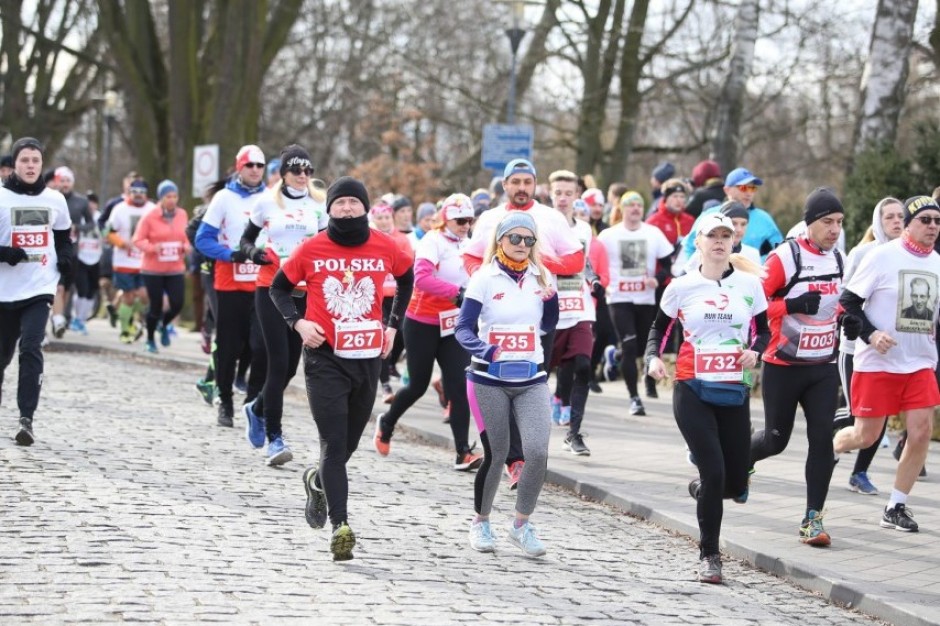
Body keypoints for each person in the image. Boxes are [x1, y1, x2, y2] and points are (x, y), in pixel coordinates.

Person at [270, 176, 414, 561]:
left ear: (365, 207)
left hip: (366, 359)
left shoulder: (386, 246)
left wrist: (392, 326)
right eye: (340, 202)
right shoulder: (311, 247)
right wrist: (298, 324)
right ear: (329, 208)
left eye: (354, 202)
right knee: (334, 444)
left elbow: (406, 279)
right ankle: (341, 527)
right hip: (324, 358)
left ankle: (317, 481)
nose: (347, 208)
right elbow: (278, 289)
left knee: (348, 444)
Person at [645, 212, 769, 584]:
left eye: (725, 235)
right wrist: (653, 358)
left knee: (735, 483)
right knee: (713, 470)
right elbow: (658, 328)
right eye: (711, 235)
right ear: (698, 243)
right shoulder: (681, 286)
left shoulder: (750, 284)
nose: (718, 241)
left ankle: (705, 490)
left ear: (734, 243)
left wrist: (756, 351)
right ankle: (710, 556)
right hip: (692, 386)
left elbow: (763, 331)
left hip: (733, 389)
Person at [463, 158, 584, 488]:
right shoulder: (490, 218)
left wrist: (544, 263)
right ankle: (516, 460)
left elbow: (577, 258)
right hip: (497, 316)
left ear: (535, 185)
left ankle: (526, 452)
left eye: (526, 182)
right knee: (502, 384)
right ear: (505, 185)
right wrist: (486, 280)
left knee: (530, 383)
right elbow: (471, 255)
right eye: (514, 182)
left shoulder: (551, 218)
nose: (520, 188)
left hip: (537, 312)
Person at [456, 211, 559, 556]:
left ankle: (521, 525)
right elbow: (463, 329)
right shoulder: (484, 278)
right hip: (488, 379)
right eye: (514, 238)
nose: (521, 245)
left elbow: (548, 326)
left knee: (537, 452)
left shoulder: (542, 277)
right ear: (500, 240)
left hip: (531, 378)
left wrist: (551, 300)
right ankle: (481, 522)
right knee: (497, 453)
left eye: (528, 240)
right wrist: (486, 349)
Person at [835, 195, 940, 533]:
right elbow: (848, 302)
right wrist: (871, 335)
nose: (933, 227)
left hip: (920, 362)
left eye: (937, 221)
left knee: (921, 431)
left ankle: (896, 505)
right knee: (865, 437)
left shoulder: (938, 263)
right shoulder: (882, 257)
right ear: (907, 224)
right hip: (878, 362)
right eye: (925, 220)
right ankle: (829, 446)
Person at [749, 188, 846, 547]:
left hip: (822, 366)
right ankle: (742, 459)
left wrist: (849, 320)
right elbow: (754, 305)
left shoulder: (840, 259)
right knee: (776, 440)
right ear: (809, 223)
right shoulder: (784, 258)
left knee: (823, 439)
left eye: (839, 222)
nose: (834, 229)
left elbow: (842, 304)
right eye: (827, 222)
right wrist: (790, 305)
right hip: (783, 365)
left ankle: (812, 519)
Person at [374, 194, 481, 469]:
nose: (465, 225)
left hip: (453, 325)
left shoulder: (470, 244)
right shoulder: (432, 241)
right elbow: (421, 278)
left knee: (459, 387)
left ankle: (462, 452)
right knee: (418, 386)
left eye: (469, 220)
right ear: (445, 218)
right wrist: (457, 293)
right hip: (422, 322)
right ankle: (387, 422)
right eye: (460, 220)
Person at [239, 145, 327, 465]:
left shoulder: (318, 206)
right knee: (278, 363)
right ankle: (275, 439)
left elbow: (325, 245)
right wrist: (255, 254)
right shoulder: (266, 202)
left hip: (304, 291)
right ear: (284, 173)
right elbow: (245, 241)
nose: (303, 176)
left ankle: (257, 407)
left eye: (308, 171)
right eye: (296, 170)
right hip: (271, 287)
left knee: (291, 366)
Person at [0, 137, 73, 445]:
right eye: (24, 160)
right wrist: (4, 253)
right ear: (13, 165)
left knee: (31, 348)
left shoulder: (55, 199)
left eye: (36, 161)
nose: (30, 166)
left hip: (40, 287)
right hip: (4, 290)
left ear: (42, 164)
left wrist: (67, 260)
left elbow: (63, 239)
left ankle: (26, 419)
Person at [195, 145, 269, 427]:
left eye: (259, 165)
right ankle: (224, 400)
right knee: (228, 346)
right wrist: (231, 254)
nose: (254, 169)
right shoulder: (224, 198)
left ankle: (252, 404)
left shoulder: (270, 197)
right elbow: (203, 240)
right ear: (240, 167)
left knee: (260, 347)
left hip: (263, 283)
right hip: (229, 282)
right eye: (249, 164)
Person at [835, 197, 904, 495]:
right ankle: (826, 430)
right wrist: (866, 332)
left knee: (880, 415)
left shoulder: (912, 257)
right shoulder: (863, 252)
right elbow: (846, 297)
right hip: (856, 349)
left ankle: (859, 472)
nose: (896, 222)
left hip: (891, 352)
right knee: (855, 415)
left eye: (901, 216)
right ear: (878, 221)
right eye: (889, 217)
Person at [547, 170, 608, 456]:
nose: (562, 198)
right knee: (543, 371)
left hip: (580, 304)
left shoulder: (584, 229)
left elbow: (585, 263)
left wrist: (594, 280)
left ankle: (574, 433)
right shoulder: (540, 225)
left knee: (583, 366)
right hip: (549, 306)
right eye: (558, 192)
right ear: (550, 194)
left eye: (568, 193)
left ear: (576, 196)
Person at [597, 190, 674, 415]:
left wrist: (656, 280)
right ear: (621, 209)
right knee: (630, 345)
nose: (635, 209)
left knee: (640, 347)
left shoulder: (653, 233)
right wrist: (603, 285)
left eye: (639, 205)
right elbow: (596, 263)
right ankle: (634, 398)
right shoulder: (608, 236)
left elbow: (668, 265)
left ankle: (616, 355)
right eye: (630, 205)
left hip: (645, 298)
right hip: (618, 298)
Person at [132, 180, 190, 354]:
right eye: (168, 196)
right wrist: (152, 248)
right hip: (153, 269)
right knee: (155, 305)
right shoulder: (150, 216)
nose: (172, 200)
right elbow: (137, 240)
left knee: (178, 303)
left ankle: (164, 325)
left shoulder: (182, 214)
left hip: (175, 267)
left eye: (174, 196)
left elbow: (186, 236)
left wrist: (186, 246)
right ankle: (150, 339)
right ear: (161, 198)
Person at [682, 167, 783, 262]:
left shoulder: (764, 218)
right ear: (727, 190)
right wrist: (700, 270)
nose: (749, 193)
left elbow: (780, 250)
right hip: (713, 276)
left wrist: (758, 264)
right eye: (743, 188)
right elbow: (689, 246)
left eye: (752, 188)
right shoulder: (709, 215)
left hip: (750, 277)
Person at [368, 201, 414, 401]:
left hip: (397, 294)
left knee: (401, 334)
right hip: (377, 295)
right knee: (381, 335)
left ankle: (391, 362)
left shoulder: (402, 239)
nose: (384, 221)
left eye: (387, 217)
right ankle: (385, 385)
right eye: (380, 218)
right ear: (374, 220)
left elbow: (408, 266)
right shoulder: (369, 238)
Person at [106, 179, 154, 343]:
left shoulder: (152, 209)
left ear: (146, 194)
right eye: (135, 192)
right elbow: (108, 232)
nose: (138, 195)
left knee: (144, 296)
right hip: (124, 261)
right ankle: (125, 331)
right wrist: (121, 242)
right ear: (129, 192)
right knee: (128, 297)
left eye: (142, 192)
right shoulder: (119, 209)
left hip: (145, 261)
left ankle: (127, 319)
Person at [52, 166, 94, 336]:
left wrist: (78, 227)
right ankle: (58, 318)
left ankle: (61, 315)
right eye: (62, 180)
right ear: (57, 182)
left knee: (67, 289)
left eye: (68, 181)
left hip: (73, 250)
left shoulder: (81, 202)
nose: (65, 184)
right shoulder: (51, 199)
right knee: (58, 287)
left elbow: (92, 224)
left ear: (73, 183)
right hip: (53, 249)